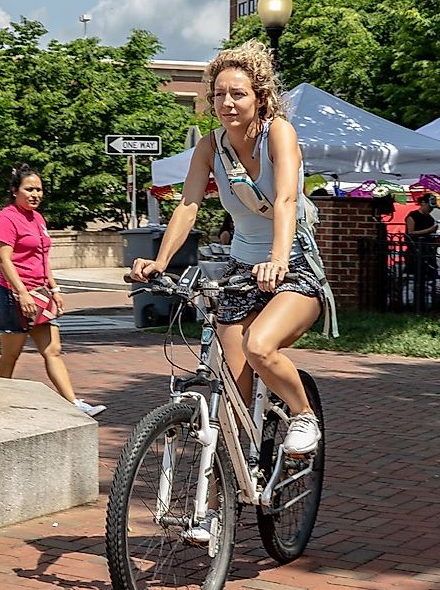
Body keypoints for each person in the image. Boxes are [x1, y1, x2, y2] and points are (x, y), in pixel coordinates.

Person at [129, 40, 329, 456]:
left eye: (238, 94)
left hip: (292, 265)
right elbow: (188, 205)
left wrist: (277, 260)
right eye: (219, 94)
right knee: (230, 396)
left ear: (260, 96)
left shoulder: (278, 133)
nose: (227, 103)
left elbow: (287, 201)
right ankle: (222, 498)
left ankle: (303, 414)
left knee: (259, 347)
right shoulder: (210, 145)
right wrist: (160, 262)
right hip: (242, 269)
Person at [0, 164, 106, 418]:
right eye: (29, 189)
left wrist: (54, 289)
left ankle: (72, 403)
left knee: (52, 349)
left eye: (39, 189)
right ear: (14, 191)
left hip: (39, 294)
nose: (35, 194)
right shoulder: (6, 219)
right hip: (13, 296)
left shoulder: (38, 218)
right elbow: (5, 260)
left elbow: (43, 258)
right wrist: (21, 292)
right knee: (11, 353)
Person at [405, 193, 440, 279]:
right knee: (416, 275)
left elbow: (431, 234)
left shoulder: (430, 218)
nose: (431, 210)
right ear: (423, 203)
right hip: (415, 250)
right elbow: (411, 232)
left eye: (432, 208)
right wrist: (429, 230)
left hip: (428, 251)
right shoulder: (413, 215)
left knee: (430, 274)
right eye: (430, 207)